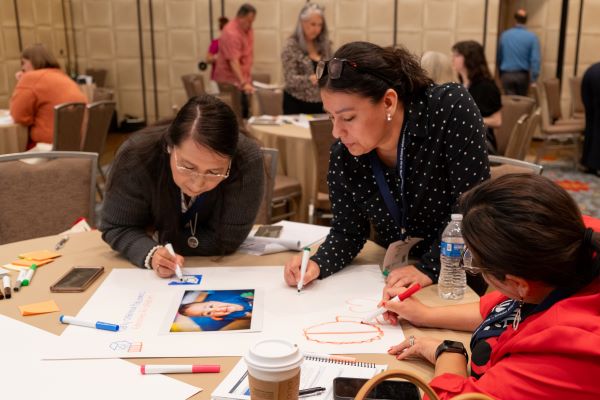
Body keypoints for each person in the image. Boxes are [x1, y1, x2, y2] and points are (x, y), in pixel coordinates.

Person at [283, 41, 490, 295]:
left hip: (456, 278)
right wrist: (317, 262)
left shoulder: (447, 110)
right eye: (331, 117)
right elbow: (348, 231)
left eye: (348, 118)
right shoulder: (345, 156)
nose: (337, 132)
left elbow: (474, 208)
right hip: (392, 277)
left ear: (389, 102)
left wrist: (428, 269)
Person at [383, 174, 600, 399]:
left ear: (518, 284)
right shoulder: (569, 237)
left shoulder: (564, 351)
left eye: (477, 264)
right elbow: (504, 308)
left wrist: (449, 353)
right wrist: (425, 315)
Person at [100, 95, 264, 278]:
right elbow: (117, 227)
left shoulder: (247, 160)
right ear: (170, 146)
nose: (198, 183)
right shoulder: (136, 156)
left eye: (214, 172)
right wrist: (151, 252)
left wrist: (155, 235)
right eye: (187, 167)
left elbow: (227, 239)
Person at [9, 43, 87, 147]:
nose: (22, 68)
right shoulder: (61, 75)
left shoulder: (31, 77)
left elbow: (19, 117)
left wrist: (22, 82)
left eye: (23, 63)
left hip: (49, 148)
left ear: (33, 61)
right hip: (77, 145)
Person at [281, 2, 332, 114]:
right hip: (296, 103)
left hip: (321, 103)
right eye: (313, 24)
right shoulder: (291, 46)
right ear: (302, 23)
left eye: (320, 25)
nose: (317, 29)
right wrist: (310, 79)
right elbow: (290, 80)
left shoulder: (325, 45)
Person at [452, 40, 502, 154]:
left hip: (482, 144)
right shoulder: (461, 86)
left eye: (457, 55)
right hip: (466, 139)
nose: (453, 58)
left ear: (470, 59)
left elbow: (497, 121)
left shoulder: (486, 86)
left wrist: (468, 121)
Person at [213, 3, 257, 118]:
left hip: (241, 81)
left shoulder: (248, 29)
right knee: (234, 116)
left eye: (252, 21)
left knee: (245, 113)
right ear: (240, 17)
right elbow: (233, 61)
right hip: (231, 82)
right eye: (248, 21)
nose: (250, 24)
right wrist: (243, 82)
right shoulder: (231, 33)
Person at [497, 8, 541, 96]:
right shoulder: (532, 37)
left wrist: (500, 73)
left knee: (509, 104)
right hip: (522, 76)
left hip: (506, 75)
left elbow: (499, 56)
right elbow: (535, 60)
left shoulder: (505, 35)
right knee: (521, 104)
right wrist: (533, 79)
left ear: (515, 19)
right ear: (526, 20)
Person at [581, 62, 600, 174]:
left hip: (590, 73)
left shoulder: (594, 68)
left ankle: (588, 162)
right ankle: (596, 163)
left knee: (591, 122)